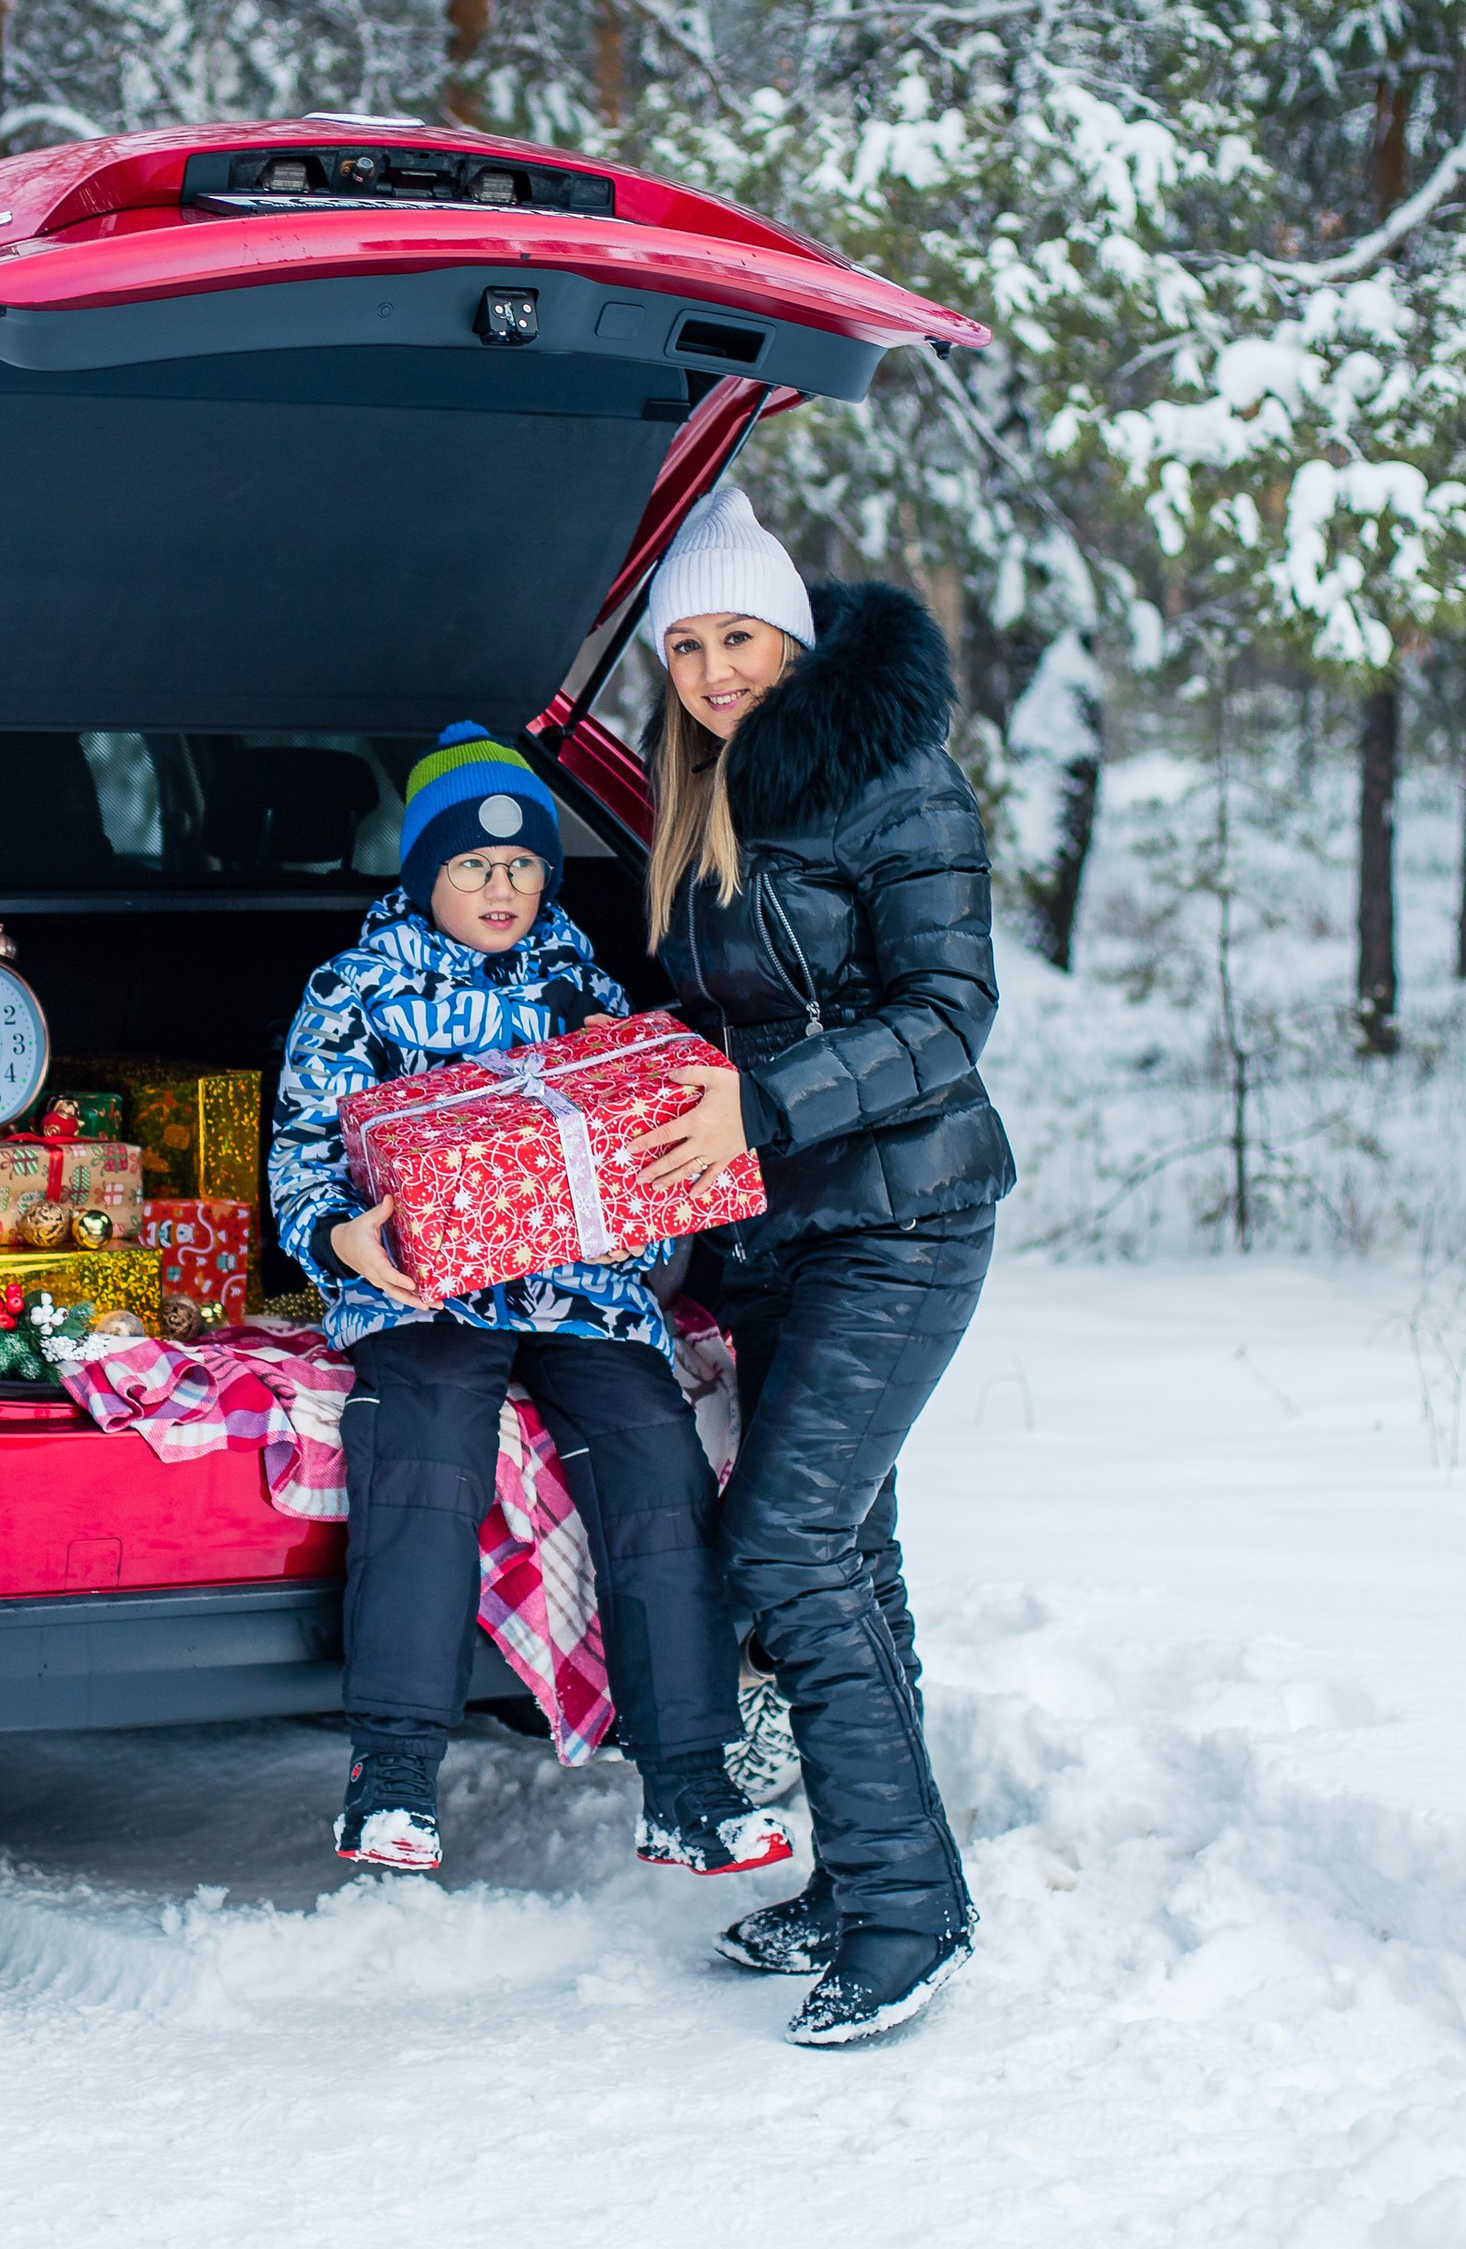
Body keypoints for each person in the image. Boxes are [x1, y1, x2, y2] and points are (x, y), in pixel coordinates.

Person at [623, 484, 1015, 2046]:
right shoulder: (704, 794)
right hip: (780, 1229)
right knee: (854, 1555)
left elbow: (949, 1017)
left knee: (783, 1548)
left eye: (743, 638)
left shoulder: (892, 779)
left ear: (795, 635)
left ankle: (913, 1911)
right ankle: (864, 1884)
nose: (718, 671)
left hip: (905, 1217)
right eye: (692, 647)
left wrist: (762, 1103)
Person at [271, 723, 794, 1879]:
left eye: (522, 867)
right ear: (424, 873)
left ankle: (690, 1783)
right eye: (471, 865)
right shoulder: (356, 990)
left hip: (574, 1288)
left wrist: (637, 1085)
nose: (501, 888)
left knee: (655, 1457)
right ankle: (393, 1776)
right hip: (425, 1289)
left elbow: (634, 1141)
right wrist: (336, 1234)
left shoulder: (578, 981)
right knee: (427, 1446)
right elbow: (302, 1151)